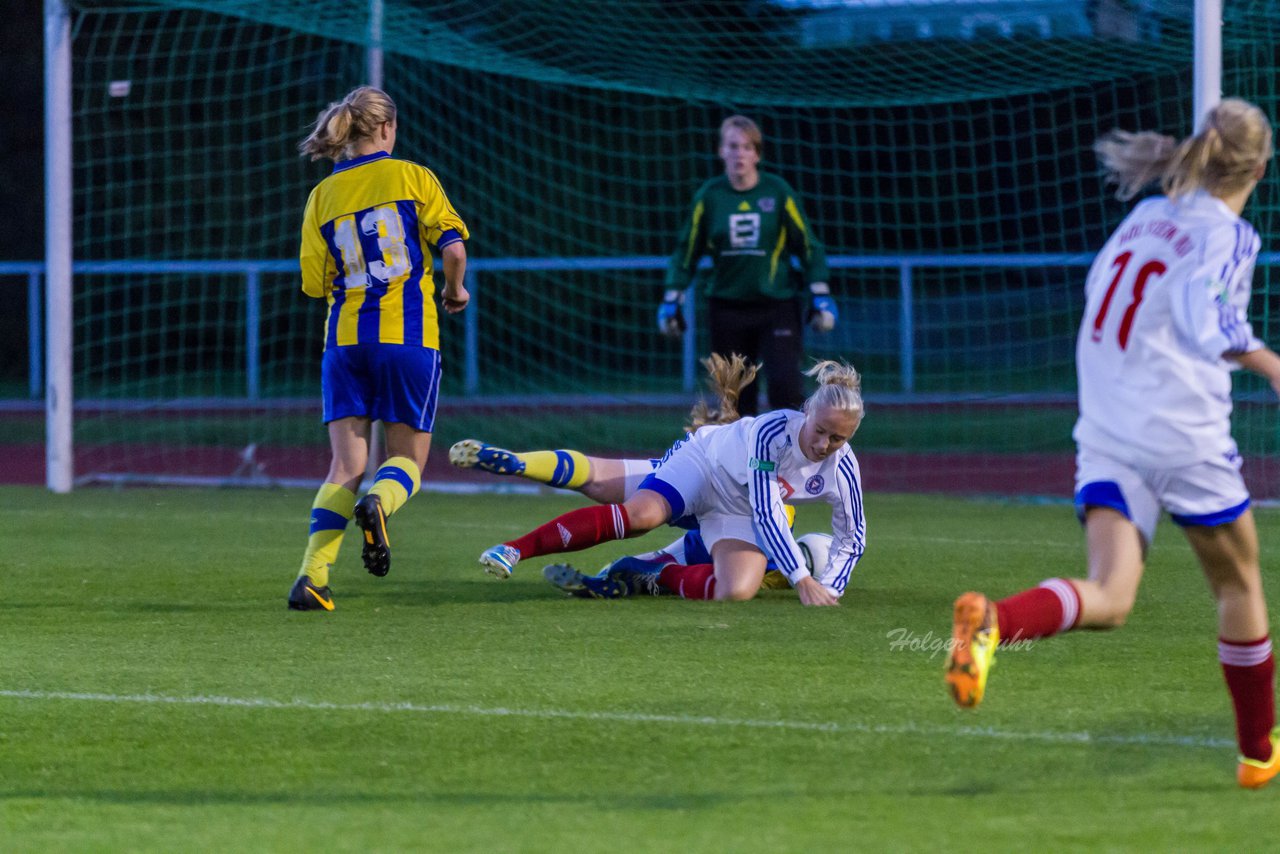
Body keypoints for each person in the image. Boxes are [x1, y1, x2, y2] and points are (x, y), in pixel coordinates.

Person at [944, 98, 1280, 789]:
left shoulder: (1145, 218)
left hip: (1105, 428)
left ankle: (992, 623)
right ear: (1259, 165)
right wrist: (1268, 362)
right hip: (1181, 435)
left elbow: (1104, 298)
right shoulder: (1228, 235)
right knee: (1240, 584)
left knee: (1112, 595)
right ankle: (1257, 753)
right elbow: (1205, 316)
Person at [287, 86, 470, 612]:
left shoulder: (322, 196)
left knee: (343, 465)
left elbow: (313, 284)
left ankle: (312, 577)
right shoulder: (412, 177)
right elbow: (453, 249)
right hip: (406, 337)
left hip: (344, 343)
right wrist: (454, 289)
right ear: (387, 129)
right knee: (407, 463)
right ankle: (380, 502)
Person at [476, 360, 867, 606]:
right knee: (639, 515)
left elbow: (853, 535)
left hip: (737, 509)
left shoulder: (842, 467)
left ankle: (645, 575)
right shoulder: (773, 431)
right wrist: (801, 579)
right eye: (820, 431)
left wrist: (829, 588)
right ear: (806, 412)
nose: (823, 445)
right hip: (704, 468)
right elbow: (768, 510)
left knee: (737, 591)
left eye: (838, 439)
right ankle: (512, 550)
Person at [659, 115, 836, 415]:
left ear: (757, 153)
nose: (739, 153)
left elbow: (808, 245)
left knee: (785, 386)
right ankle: (741, 463)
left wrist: (821, 293)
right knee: (735, 399)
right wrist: (671, 299)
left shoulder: (777, 192)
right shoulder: (709, 197)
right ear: (721, 151)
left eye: (746, 147)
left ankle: (792, 459)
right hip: (727, 309)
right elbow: (686, 251)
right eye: (732, 146)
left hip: (777, 305)